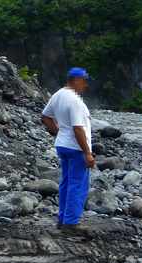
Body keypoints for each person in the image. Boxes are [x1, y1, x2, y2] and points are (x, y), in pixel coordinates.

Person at [41, 67, 94, 230]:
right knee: (77, 184)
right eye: (84, 81)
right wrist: (88, 153)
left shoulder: (57, 95)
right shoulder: (75, 101)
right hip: (76, 148)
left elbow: (45, 117)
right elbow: (78, 128)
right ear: (76, 80)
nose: (85, 85)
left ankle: (62, 218)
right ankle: (71, 222)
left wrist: (60, 133)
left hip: (63, 146)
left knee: (66, 182)